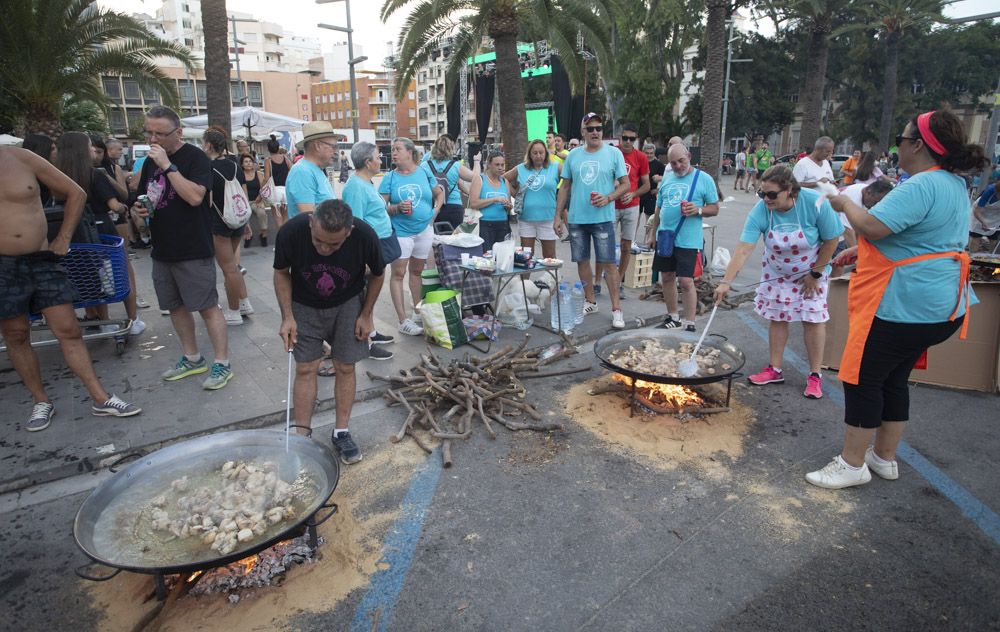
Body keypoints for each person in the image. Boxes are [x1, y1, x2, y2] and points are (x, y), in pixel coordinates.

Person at [804, 109, 986, 489]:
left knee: (863, 379)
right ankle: (883, 458)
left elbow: (871, 225)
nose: (897, 146)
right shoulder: (953, 183)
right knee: (893, 379)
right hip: (942, 307)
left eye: (901, 140)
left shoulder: (920, 185)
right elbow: (922, 240)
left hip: (903, 305)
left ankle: (852, 464)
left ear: (918, 145)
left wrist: (844, 203)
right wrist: (862, 252)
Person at [0, 146, 141, 430]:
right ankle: (41, 400)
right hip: (3, 268)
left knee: (68, 329)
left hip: (41, 259)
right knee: (15, 335)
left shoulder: (20, 157)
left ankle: (100, 397)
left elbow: (76, 192)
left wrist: (64, 236)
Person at [714, 165, 842, 399]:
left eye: (772, 194)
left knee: (812, 320)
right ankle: (775, 369)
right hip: (778, 272)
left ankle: (814, 375)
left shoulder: (814, 203)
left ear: (790, 191)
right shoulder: (761, 210)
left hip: (812, 272)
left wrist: (815, 274)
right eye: (762, 193)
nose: (766, 199)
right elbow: (744, 249)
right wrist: (725, 281)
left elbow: (832, 239)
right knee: (778, 317)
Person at [274, 199, 384, 464]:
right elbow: (281, 273)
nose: (324, 249)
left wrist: (366, 315)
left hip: (347, 304)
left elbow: (379, 274)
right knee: (305, 368)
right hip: (304, 305)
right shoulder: (291, 231)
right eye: (318, 240)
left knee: (345, 366)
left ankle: (342, 431)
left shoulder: (365, 235)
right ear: (311, 223)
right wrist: (287, 317)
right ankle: (302, 436)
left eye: (334, 244)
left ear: (349, 231)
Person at [131, 106, 233, 391]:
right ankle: (192, 357)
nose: (153, 138)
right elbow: (148, 194)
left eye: (159, 133)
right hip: (163, 247)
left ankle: (222, 363)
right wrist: (139, 207)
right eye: (148, 132)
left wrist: (167, 165)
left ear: (177, 132)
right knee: (174, 306)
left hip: (193, 247)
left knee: (207, 307)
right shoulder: (152, 160)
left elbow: (194, 196)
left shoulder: (195, 158)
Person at [554, 112, 629, 329]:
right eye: (590, 128)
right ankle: (590, 301)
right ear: (583, 132)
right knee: (582, 260)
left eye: (598, 128)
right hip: (577, 218)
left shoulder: (613, 154)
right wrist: (557, 216)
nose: (595, 132)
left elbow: (625, 184)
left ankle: (616, 309)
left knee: (608, 264)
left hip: (603, 218)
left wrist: (608, 198)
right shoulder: (574, 156)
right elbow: (565, 187)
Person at [648, 143, 720, 331]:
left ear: (689, 156)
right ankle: (673, 317)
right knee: (667, 277)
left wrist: (698, 210)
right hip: (665, 236)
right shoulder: (667, 179)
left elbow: (714, 208)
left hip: (688, 239)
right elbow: (659, 208)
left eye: (681, 161)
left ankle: (689, 322)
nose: (678, 166)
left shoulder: (703, 179)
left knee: (686, 281)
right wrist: (652, 233)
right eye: (673, 163)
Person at [379, 137, 444, 336]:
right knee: (398, 274)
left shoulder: (424, 171)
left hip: (424, 230)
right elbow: (380, 208)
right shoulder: (390, 177)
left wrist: (434, 213)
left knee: (416, 272)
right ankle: (402, 320)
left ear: (410, 152)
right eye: (393, 149)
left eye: (398, 149)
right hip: (401, 233)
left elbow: (439, 193)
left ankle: (416, 311)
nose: (394, 153)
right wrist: (396, 208)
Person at [341, 140, 398, 362]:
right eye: (377, 157)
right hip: (367, 249)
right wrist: (362, 258)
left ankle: (371, 331)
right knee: (364, 296)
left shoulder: (366, 182)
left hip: (379, 244)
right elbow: (355, 224)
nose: (380, 160)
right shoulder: (355, 186)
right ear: (367, 162)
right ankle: (366, 342)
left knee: (370, 294)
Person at [202, 129, 253, 326]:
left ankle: (233, 311)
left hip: (220, 221)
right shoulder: (234, 166)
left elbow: (208, 200)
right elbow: (244, 194)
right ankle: (244, 303)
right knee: (232, 266)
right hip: (238, 219)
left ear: (208, 145)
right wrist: (246, 223)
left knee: (228, 268)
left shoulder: (208, 168)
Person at [505, 139, 560, 259]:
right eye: (535, 153)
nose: (538, 156)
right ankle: (525, 279)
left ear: (546, 153)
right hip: (526, 218)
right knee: (526, 256)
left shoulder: (555, 167)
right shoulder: (521, 168)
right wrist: (515, 194)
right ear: (529, 154)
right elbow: (503, 179)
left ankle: (549, 278)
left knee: (550, 255)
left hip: (548, 218)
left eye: (541, 152)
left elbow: (568, 181)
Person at [615, 123, 651, 295]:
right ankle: (599, 279)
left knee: (626, 245)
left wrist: (633, 194)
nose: (628, 142)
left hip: (631, 206)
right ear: (619, 138)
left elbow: (647, 185)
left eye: (632, 139)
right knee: (604, 244)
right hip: (611, 205)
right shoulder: (612, 153)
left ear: (636, 140)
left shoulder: (641, 157)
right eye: (625, 138)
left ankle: (619, 281)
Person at [285, 122, 337, 218]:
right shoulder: (302, 172)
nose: (336, 151)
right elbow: (310, 218)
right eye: (333, 146)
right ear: (317, 145)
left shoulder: (315, 169)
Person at [425, 134, 476, 230]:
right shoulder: (456, 166)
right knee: (453, 240)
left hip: (431, 206)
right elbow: (475, 178)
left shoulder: (425, 165)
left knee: (433, 239)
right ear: (450, 149)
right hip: (453, 206)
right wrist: (477, 162)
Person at [469, 151, 513, 252]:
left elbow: (509, 206)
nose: (500, 167)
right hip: (485, 225)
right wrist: (494, 199)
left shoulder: (504, 181)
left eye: (502, 165)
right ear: (489, 164)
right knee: (486, 257)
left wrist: (508, 206)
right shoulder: (480, 179)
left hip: (503, 224)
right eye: (497, 164)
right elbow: (474, 203)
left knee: (502, 257)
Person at [263, 136, 292, 231]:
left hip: (274, 192)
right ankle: (287, 239)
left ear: (268, 149)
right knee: (286, 218)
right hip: (286, 191)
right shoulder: (285, 158)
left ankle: (281, 239)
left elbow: (266, 177)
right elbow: (292, 171)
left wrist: (261, 190)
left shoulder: (268, 161)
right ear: (278, 147)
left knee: (277, 218)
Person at [240, 154, 268, 248]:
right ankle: (248, 236)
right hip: (244, 202)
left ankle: (263, 234)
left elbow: (263, 188)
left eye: (250, 161)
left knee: (262, 213)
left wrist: (260, 198)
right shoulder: (240, 175)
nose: (248, 164)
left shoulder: (259, 174)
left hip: (257, 201)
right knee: (245, 216)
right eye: (246, 162)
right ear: (242, 164)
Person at [970, 182, 1000, 251]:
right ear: (997, 192)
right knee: (975, 236)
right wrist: (983, 222)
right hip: (980, 213)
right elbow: (977, 211)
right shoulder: (990, 190)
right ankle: (973, 257)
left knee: (994, 240)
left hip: (996, 216)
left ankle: (991, 258)